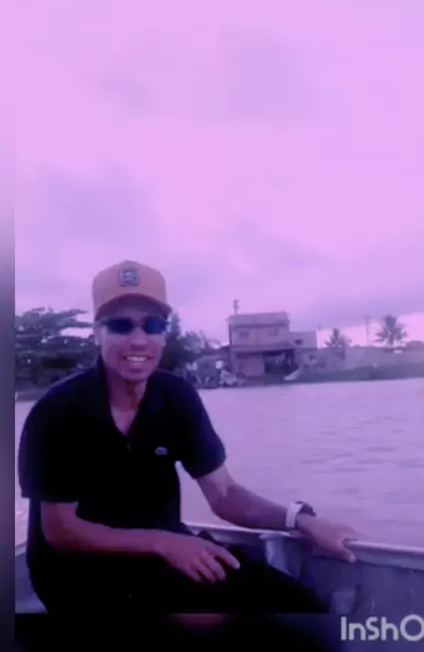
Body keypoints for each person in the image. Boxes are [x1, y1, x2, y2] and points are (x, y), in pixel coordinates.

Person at [18, 260, 358, 649]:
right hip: (75, 571)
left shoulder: (175, 397)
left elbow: (224, 494)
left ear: (164, 335)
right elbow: (62, 531)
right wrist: (165, 543)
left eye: (153, 325)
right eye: (121, 325)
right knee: (224, 628)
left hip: (162, 556)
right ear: (98, 334)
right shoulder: (58, 412)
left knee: (300, 610)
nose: (139, 340)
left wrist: (302, 521)